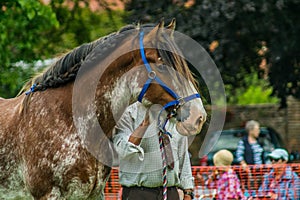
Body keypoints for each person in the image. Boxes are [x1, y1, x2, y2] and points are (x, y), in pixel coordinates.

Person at [112, 102, 194, 200]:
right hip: (139, 194)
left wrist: (188, 192)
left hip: (171, 193)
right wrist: (145, 124)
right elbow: (123, 150)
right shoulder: (129, 113)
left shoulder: (174, 115)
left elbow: (184, 159)